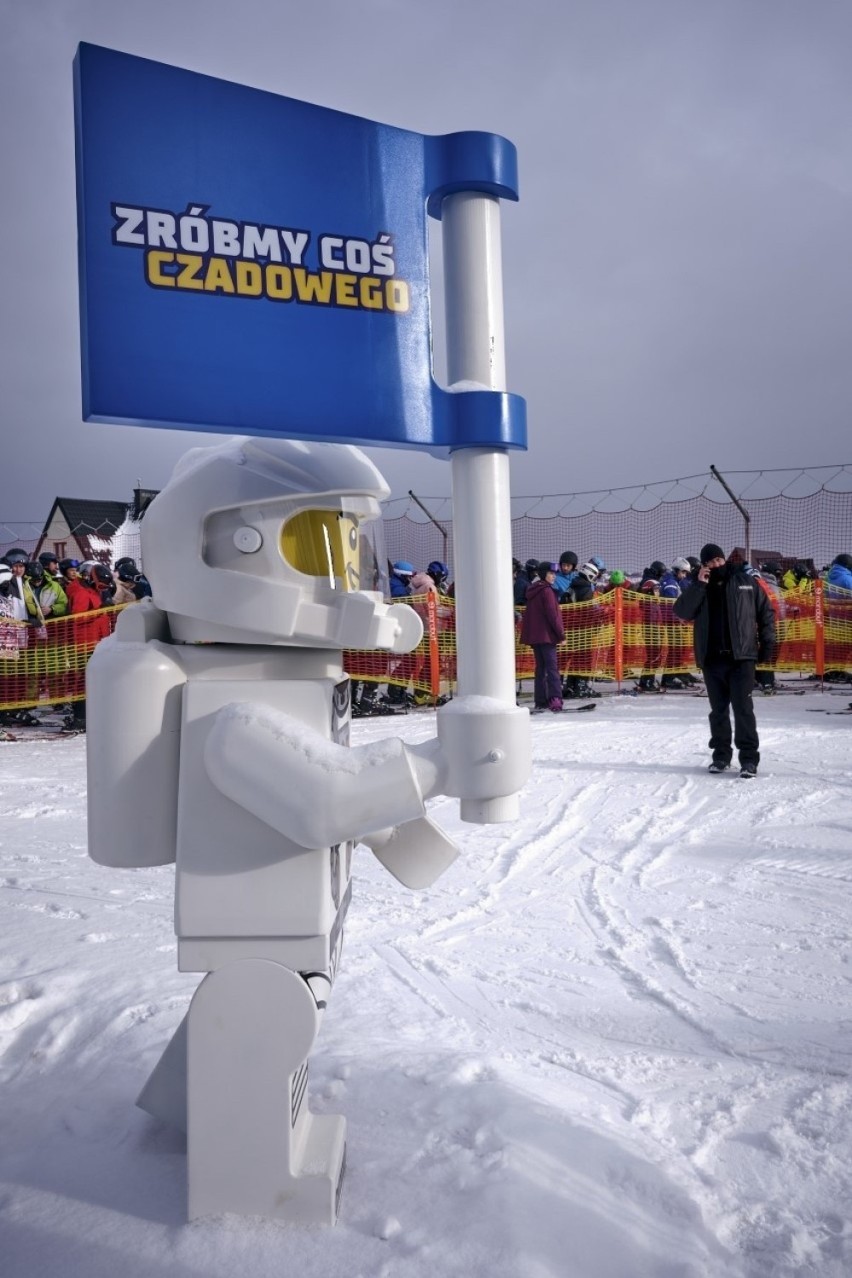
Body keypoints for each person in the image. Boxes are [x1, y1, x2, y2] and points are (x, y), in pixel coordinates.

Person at [674, 542, 775, 778]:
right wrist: (699, 584)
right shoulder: (700, 587)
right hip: (712, 660)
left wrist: (768, 642)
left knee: (743, 709)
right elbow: (682, 612)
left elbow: (765, 611)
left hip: (742, 657)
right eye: (710, 562)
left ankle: (749, 759)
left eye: (718, 560)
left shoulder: (744, 581)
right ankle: (721, 757)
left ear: (724, 560)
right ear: (704, 566)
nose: (715, 565)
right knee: (718, 711)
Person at [519, 561, 565, 711]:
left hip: (535, 637)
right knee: (552, 669)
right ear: (544, 574)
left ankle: (540, 700)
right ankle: (555, 699)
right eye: (551, 573)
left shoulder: (534, 590)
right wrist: (561, 635)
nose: (553, 577)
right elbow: (553, 616)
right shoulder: (547, 591)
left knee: (540, 669)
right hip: (547, 637)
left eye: (554, 574)